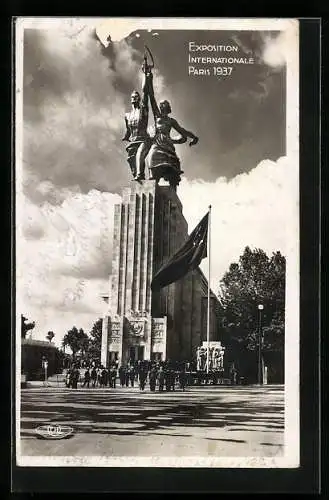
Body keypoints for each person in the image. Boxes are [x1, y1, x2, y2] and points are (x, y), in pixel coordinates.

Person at [147, 71, 198, 188]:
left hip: (168, 147)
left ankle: (172, 194)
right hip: (157, 144)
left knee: (173, 174)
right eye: (161, 106)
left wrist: (194, 137)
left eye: (164, 105)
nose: (161, 107)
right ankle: (152, 187)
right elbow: (151, 97)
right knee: (151, 159)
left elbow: (183, 131)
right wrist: (149, 78)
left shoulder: (171, 121)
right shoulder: (157, 116)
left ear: (167, 108)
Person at [122, 71, 153, 181]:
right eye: (132, 97)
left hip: (144, 140)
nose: (134, 98)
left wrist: (145, 75)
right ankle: (139, 176)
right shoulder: (127, 115)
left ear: (139, 99)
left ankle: (140, 175)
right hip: (133, 142)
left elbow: (145, 91)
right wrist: (126, 137)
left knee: (140, 155)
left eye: (136, 96)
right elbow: (128, 130)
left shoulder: (143, 110)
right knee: (132, 161)